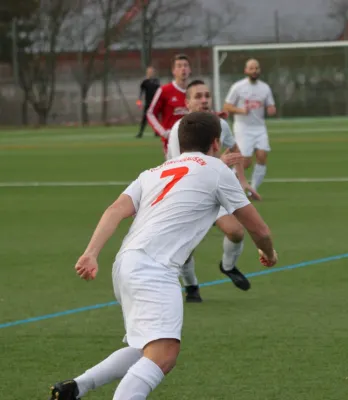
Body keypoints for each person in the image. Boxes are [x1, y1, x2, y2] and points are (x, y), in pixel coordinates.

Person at [48, 112, 278, 400]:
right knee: (164, 355)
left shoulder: (153, 172)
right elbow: (260, 229)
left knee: (146, 347)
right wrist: (268, 254)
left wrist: (91, 253)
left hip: (125, 264)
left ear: (179, 143)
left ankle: (75, 389)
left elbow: (114, 210)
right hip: (155, 270)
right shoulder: (217, 170)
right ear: (216, 143)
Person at [167, 80, 261, 302]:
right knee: (186, 248)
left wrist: (242, 179)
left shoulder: (220, 124)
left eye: (207, 95)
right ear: (187, 102)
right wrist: (220, 162)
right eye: (198, 96)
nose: (204, 100)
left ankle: (228, 266)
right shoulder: (178, 130)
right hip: (187, 194)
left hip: (214, 192)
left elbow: (234, 148)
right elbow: (181, 168)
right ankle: (191, 287)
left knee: (236, 232)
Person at [223, 58, 276, 193]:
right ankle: (225, 184)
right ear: (246, 70)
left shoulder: (265, 87)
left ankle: (252, 190)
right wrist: (241, 110)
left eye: (256, 68)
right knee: (245, 162)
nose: (254, 71)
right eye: (251, 68)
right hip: (242, 128)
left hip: (259, 127)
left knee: (262, 155)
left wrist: (271, 109)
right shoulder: (238, 87)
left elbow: (271, 105)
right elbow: (227, 106)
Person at [146, 54, 190, 156]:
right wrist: (164, 132)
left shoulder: (194, 91)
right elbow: (150, 113)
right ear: (173, 71)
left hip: (193, 142)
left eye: (185, 65)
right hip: (172, 143)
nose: (183, 68)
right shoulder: (164, 90)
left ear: (190, 69)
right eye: (179, 66)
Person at [135, 66, 160, 138]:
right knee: (144, 118)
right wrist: (139, 102)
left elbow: (159, 91)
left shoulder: (156, 81)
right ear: (147, 73)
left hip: (155, 103)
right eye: (149, 72)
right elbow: (141, 93)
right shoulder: (144, 82)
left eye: (152, 72)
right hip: (148, 103)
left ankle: (157, 132)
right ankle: (140, 133)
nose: (150, 73)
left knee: (156, 118)